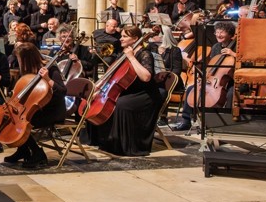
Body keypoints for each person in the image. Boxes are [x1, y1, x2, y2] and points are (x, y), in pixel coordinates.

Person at [88, 26, 163, 156]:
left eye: (124, 36)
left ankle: (123, 146)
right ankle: (105, 140)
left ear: (135, 39)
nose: (121, 38)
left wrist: (132, 58)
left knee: (121, 105)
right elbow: (113, 76)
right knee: (99, 103)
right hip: (129, 90)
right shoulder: (123, 54)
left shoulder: (145, 54)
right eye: (121, 35)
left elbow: (146, 77)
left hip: (145, 94)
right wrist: (98, 87)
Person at [0, 42, 66, 169]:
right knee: (13, 119)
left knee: (22, 123)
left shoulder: (50, 69)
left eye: (20, 59)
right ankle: (23, 151)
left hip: (53, 110)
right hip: (37, 108)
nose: (19, 62)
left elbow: (62, 91)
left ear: (27, 59)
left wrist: (48, 79)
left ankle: (38, 154)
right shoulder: (28, 71)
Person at [171, 21, 236, 131]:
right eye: (217, 32)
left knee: (230, 94)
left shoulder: (236, 46)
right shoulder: (216, 47)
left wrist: (233, 54)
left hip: (232, 79)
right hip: (215, 78)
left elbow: (243, 61)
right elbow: (213, 65)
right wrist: (203, 77)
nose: (219, 35)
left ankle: (226, 122)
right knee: (192, 89)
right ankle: (186, 120)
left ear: (230, 34)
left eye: (222, 32)